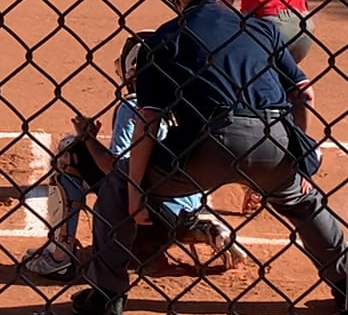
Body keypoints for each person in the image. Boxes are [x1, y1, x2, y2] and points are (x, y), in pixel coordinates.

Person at [69, 0, 348, 315]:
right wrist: (298, 156)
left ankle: (106, 297)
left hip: (206, 146)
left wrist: (134, 191)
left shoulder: (165, 38)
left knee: (118, 185)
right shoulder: (261, 29)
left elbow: (149, 118)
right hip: (273, 140)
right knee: (303, 202)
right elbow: (304, 93)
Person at [19, 33, 240, 281]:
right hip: (187, 209)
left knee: (70, 151)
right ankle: (195, 228)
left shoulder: (135, 105)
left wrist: (88, 139)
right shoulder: (192, 103)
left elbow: (116, 171)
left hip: (147, 215)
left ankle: (59, 257)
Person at [198, 0, 320, 215]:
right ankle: (297, 162)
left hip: (270, 27)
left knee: (241, 94)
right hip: (301, 23)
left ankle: (258, 174)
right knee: (287, 91)